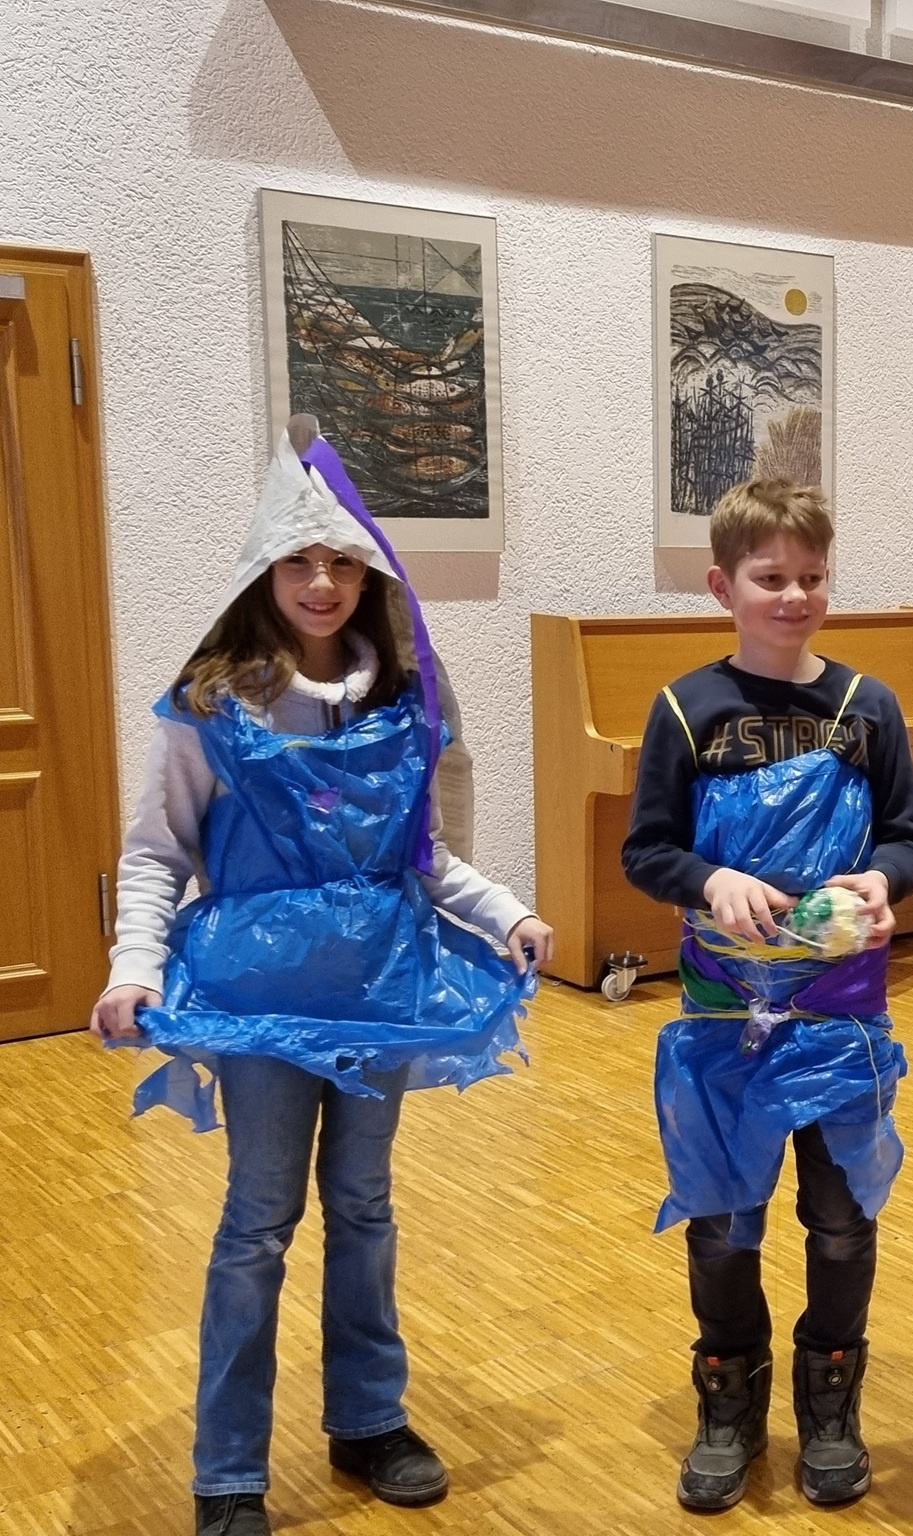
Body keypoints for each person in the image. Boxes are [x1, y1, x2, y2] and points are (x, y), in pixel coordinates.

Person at [90, 421, 553, 1536]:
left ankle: (369, 1419)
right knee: (258, 1220)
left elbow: (420, 856)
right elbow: (156, 853)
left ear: (369, 577)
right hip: (260, 1003)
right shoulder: (211, 708)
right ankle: (228, 1471)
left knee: (364, 1204)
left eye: (343, 561)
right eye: (299, 559)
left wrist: (509, 913)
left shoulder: (399, 703)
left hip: (377, 990)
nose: (321, 581)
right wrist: (133, 963)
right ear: (265, 571)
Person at [621, 479, 913, 1512]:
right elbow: (647, 851)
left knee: (840, 1219)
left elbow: (907, 836)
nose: (793, 596)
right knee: (721, 1217)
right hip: (721, 1016)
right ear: (723, 587)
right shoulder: (685, 710)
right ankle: (728, 1395)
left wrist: (882, 879)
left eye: (811, 576)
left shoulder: (867, 708)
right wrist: (710, 879)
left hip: (841, 1014)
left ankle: (830, 1398)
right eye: (770, 578)